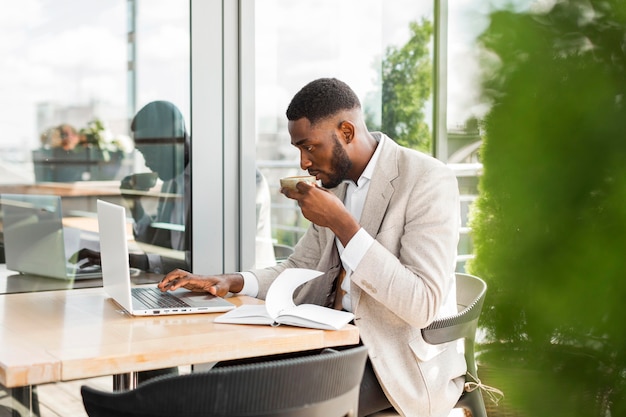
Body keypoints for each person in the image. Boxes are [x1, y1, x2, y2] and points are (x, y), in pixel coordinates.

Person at [157, 78, 465, 417]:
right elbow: (299, 268)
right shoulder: (333, 186)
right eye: (298, 149)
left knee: (261, 405)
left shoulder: (427, 180)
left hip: (388, 362)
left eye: (309, 147)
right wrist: (232, 280)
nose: (303, 163)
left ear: (346, 132)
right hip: (323, 340)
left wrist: (344, 225)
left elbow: (422, 303)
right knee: (221, 381)